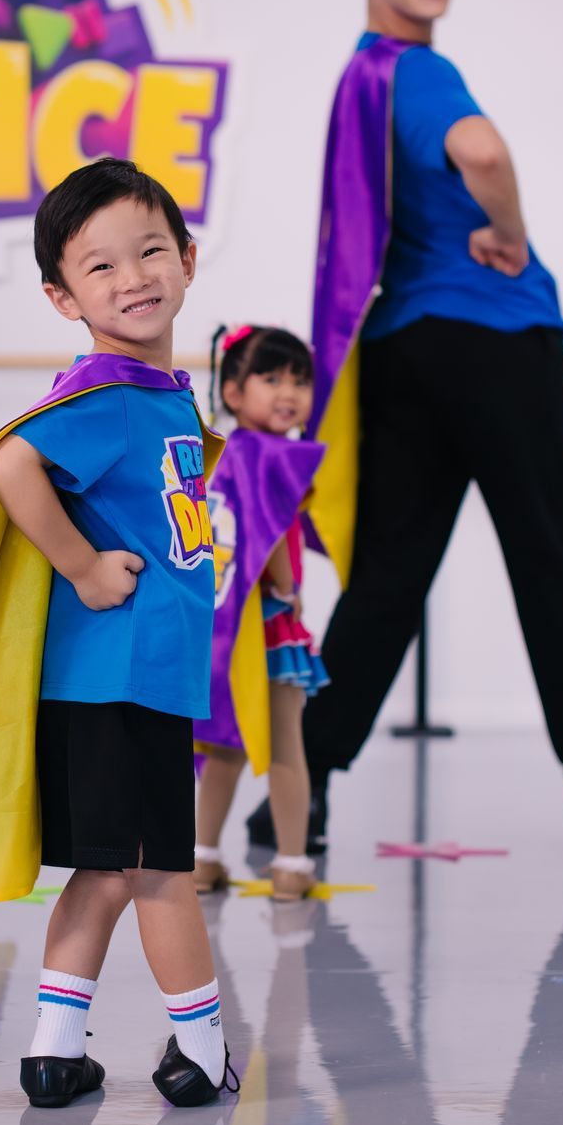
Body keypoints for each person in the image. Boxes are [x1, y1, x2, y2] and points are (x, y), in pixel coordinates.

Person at [257, 0, 563, 856]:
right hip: (496, 341)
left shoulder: (361, 75)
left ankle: (303, 788)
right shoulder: (417, 72)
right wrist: (510, 236)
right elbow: (484, 149)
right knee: (553, 559)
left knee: (387, 578)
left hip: (404, 350)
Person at [0, 158, 238, 1110]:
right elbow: (15, 461)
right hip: (123, 677)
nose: (132, 277)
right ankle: (205, 1048)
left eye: (149, 252)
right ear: (63, 296)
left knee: (105, 870)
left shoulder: (152, 387)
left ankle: (56, 1052)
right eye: (100, 268)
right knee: (163, 878)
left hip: (121, 678)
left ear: (187, 258)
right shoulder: (111, 391)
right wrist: (83, 568)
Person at [190, 325, 327, 899]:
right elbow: (268, 534)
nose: (288, 392)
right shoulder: (268, 455)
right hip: (268, 624)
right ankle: (292, 863)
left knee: (226, 747)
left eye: (299, 379)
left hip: (225, 627)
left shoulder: (223, 453)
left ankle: (201, 857)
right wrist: (288, 584)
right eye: (270, 379)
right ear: (234, 392)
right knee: (286, 746)